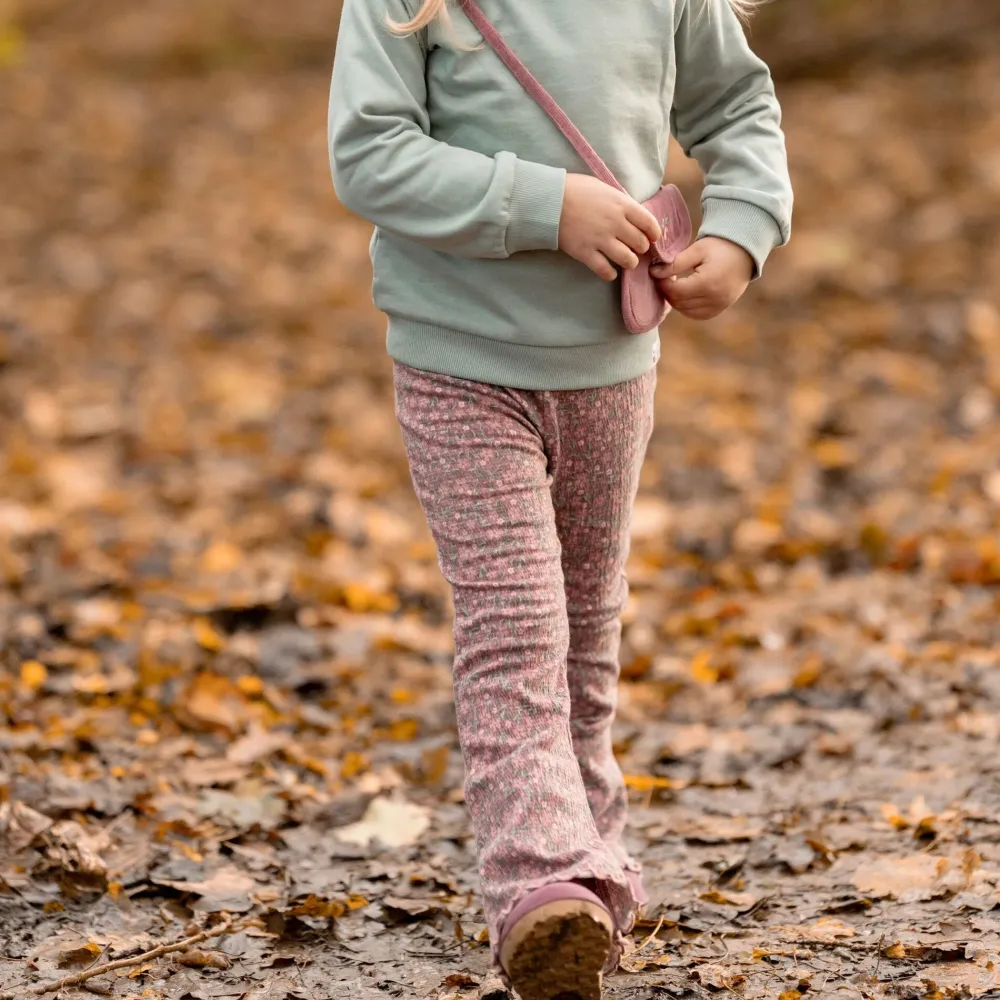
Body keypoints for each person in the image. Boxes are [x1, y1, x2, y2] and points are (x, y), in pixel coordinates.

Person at [329, 0, 792, 994]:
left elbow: (736, 102)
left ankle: (591, 879)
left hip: (610, 369)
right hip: (459, 364)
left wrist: (744, 231)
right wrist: (544, 205)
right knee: (515, 629)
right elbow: (367, 153)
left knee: (585, 632)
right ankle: (537, 883)